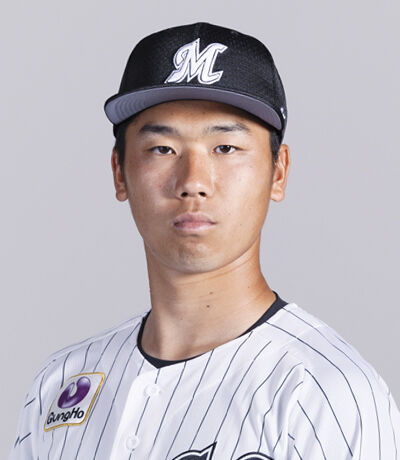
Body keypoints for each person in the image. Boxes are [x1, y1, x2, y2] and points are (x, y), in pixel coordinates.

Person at [9, 22, 399, 460]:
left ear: (278, 171)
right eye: (162, 149)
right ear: (119, 172)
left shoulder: (325, 394)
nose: (193, 181)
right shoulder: (59, 385)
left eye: (225, 148)